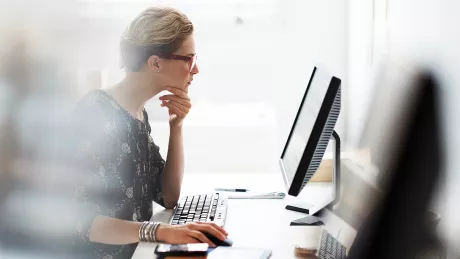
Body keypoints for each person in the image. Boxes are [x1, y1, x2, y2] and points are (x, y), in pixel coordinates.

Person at [65, 6, 228, 259]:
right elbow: (81, 221)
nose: (195, 70)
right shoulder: (96, 112)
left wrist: (177, 127)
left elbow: (168, 196)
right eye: (190, 58)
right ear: (156, 63)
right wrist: (160, 231)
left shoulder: (138, 113)